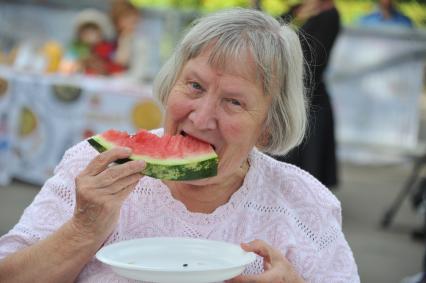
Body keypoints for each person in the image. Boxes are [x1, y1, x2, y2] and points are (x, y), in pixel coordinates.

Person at [0, 8, 359, 282]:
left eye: (234, 102)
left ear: (267, 128)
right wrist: (82, 230)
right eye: (195, 86)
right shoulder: (93, 168)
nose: (201, 118)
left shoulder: (305, 203)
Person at [276, 0, 340, 188]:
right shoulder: (296, 10)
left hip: (310, 99)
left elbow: (316, 60)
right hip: (288, 95)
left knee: (308, 164)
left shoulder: (329, 15)